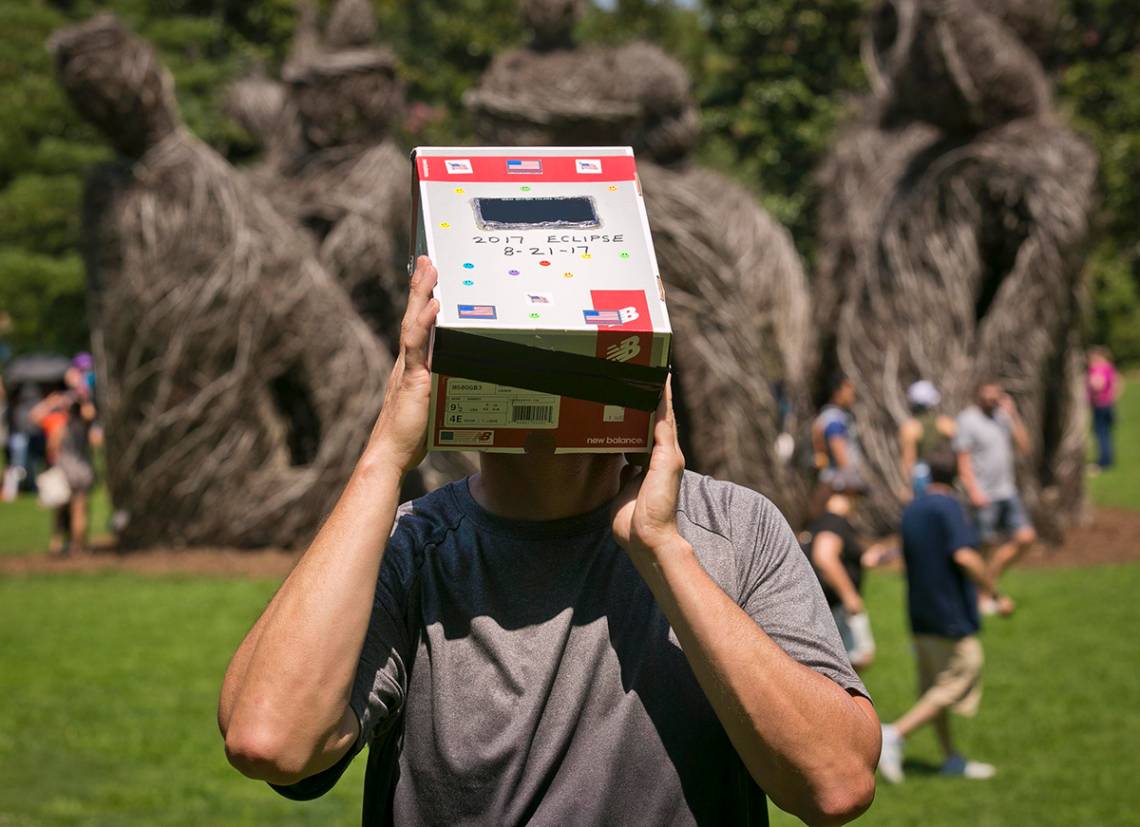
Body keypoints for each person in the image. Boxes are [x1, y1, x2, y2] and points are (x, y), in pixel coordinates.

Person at [218, 257, 880, 826]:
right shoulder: (412, 547)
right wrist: (385, 456)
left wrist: (663, 551)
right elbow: (269, 736)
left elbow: (835, 781)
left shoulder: (733, 527)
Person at [878, 447, 1009, 784]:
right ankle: (894, 735)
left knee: (934, 688)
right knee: (963, 672)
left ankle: (950, 758)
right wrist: (992, 592)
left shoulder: (912, 509)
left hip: (919, 613)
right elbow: (965, 556)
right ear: (956, 476)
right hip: (948, 614)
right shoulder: (948, 507)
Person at [954, 379, 1035, 609]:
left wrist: (1013, 415)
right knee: (985, 546)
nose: (991, 399)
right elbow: (963, 461)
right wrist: (974, 491)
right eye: (987, 395)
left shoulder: (1002, 417)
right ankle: (984, 595)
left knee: (1025, 538)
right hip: (983, 494)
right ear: (978, 395)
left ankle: (987, 585)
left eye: (995, 395)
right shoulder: (968, 420)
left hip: (1007, 490)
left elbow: (1024, 446)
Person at [800, 469, 890, 671]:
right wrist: (850, 597)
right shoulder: (835, 522)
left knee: (843, 665)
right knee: (857, 658)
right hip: (835, 606)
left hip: (823, 607)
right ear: (851, 494)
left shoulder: (822, 521)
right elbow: (825, 558)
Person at [812, 373, 866, 516]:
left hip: (831, 479)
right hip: (837, 482)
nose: (852, 394)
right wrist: (851, 480)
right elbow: (838, 449)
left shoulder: (827, 415)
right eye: (848, 389)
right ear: (837, 391)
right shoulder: (834, 419)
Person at [898, 380, 955, 499]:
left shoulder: (910, 428)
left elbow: (908, 459)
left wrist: (905, 486)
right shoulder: (946, 424)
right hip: (943, 476)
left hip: (922, 476)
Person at [1087, 347, 1121, 472]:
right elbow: (1118, 383)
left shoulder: (1098, 368)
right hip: (1108, 404)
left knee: (1101, 433)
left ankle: (1104, 462)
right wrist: (1112, 398)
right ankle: (1108, 460)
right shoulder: (1110, 368)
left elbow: (1097, 384)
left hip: (1100, 405)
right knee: (1106, 433)